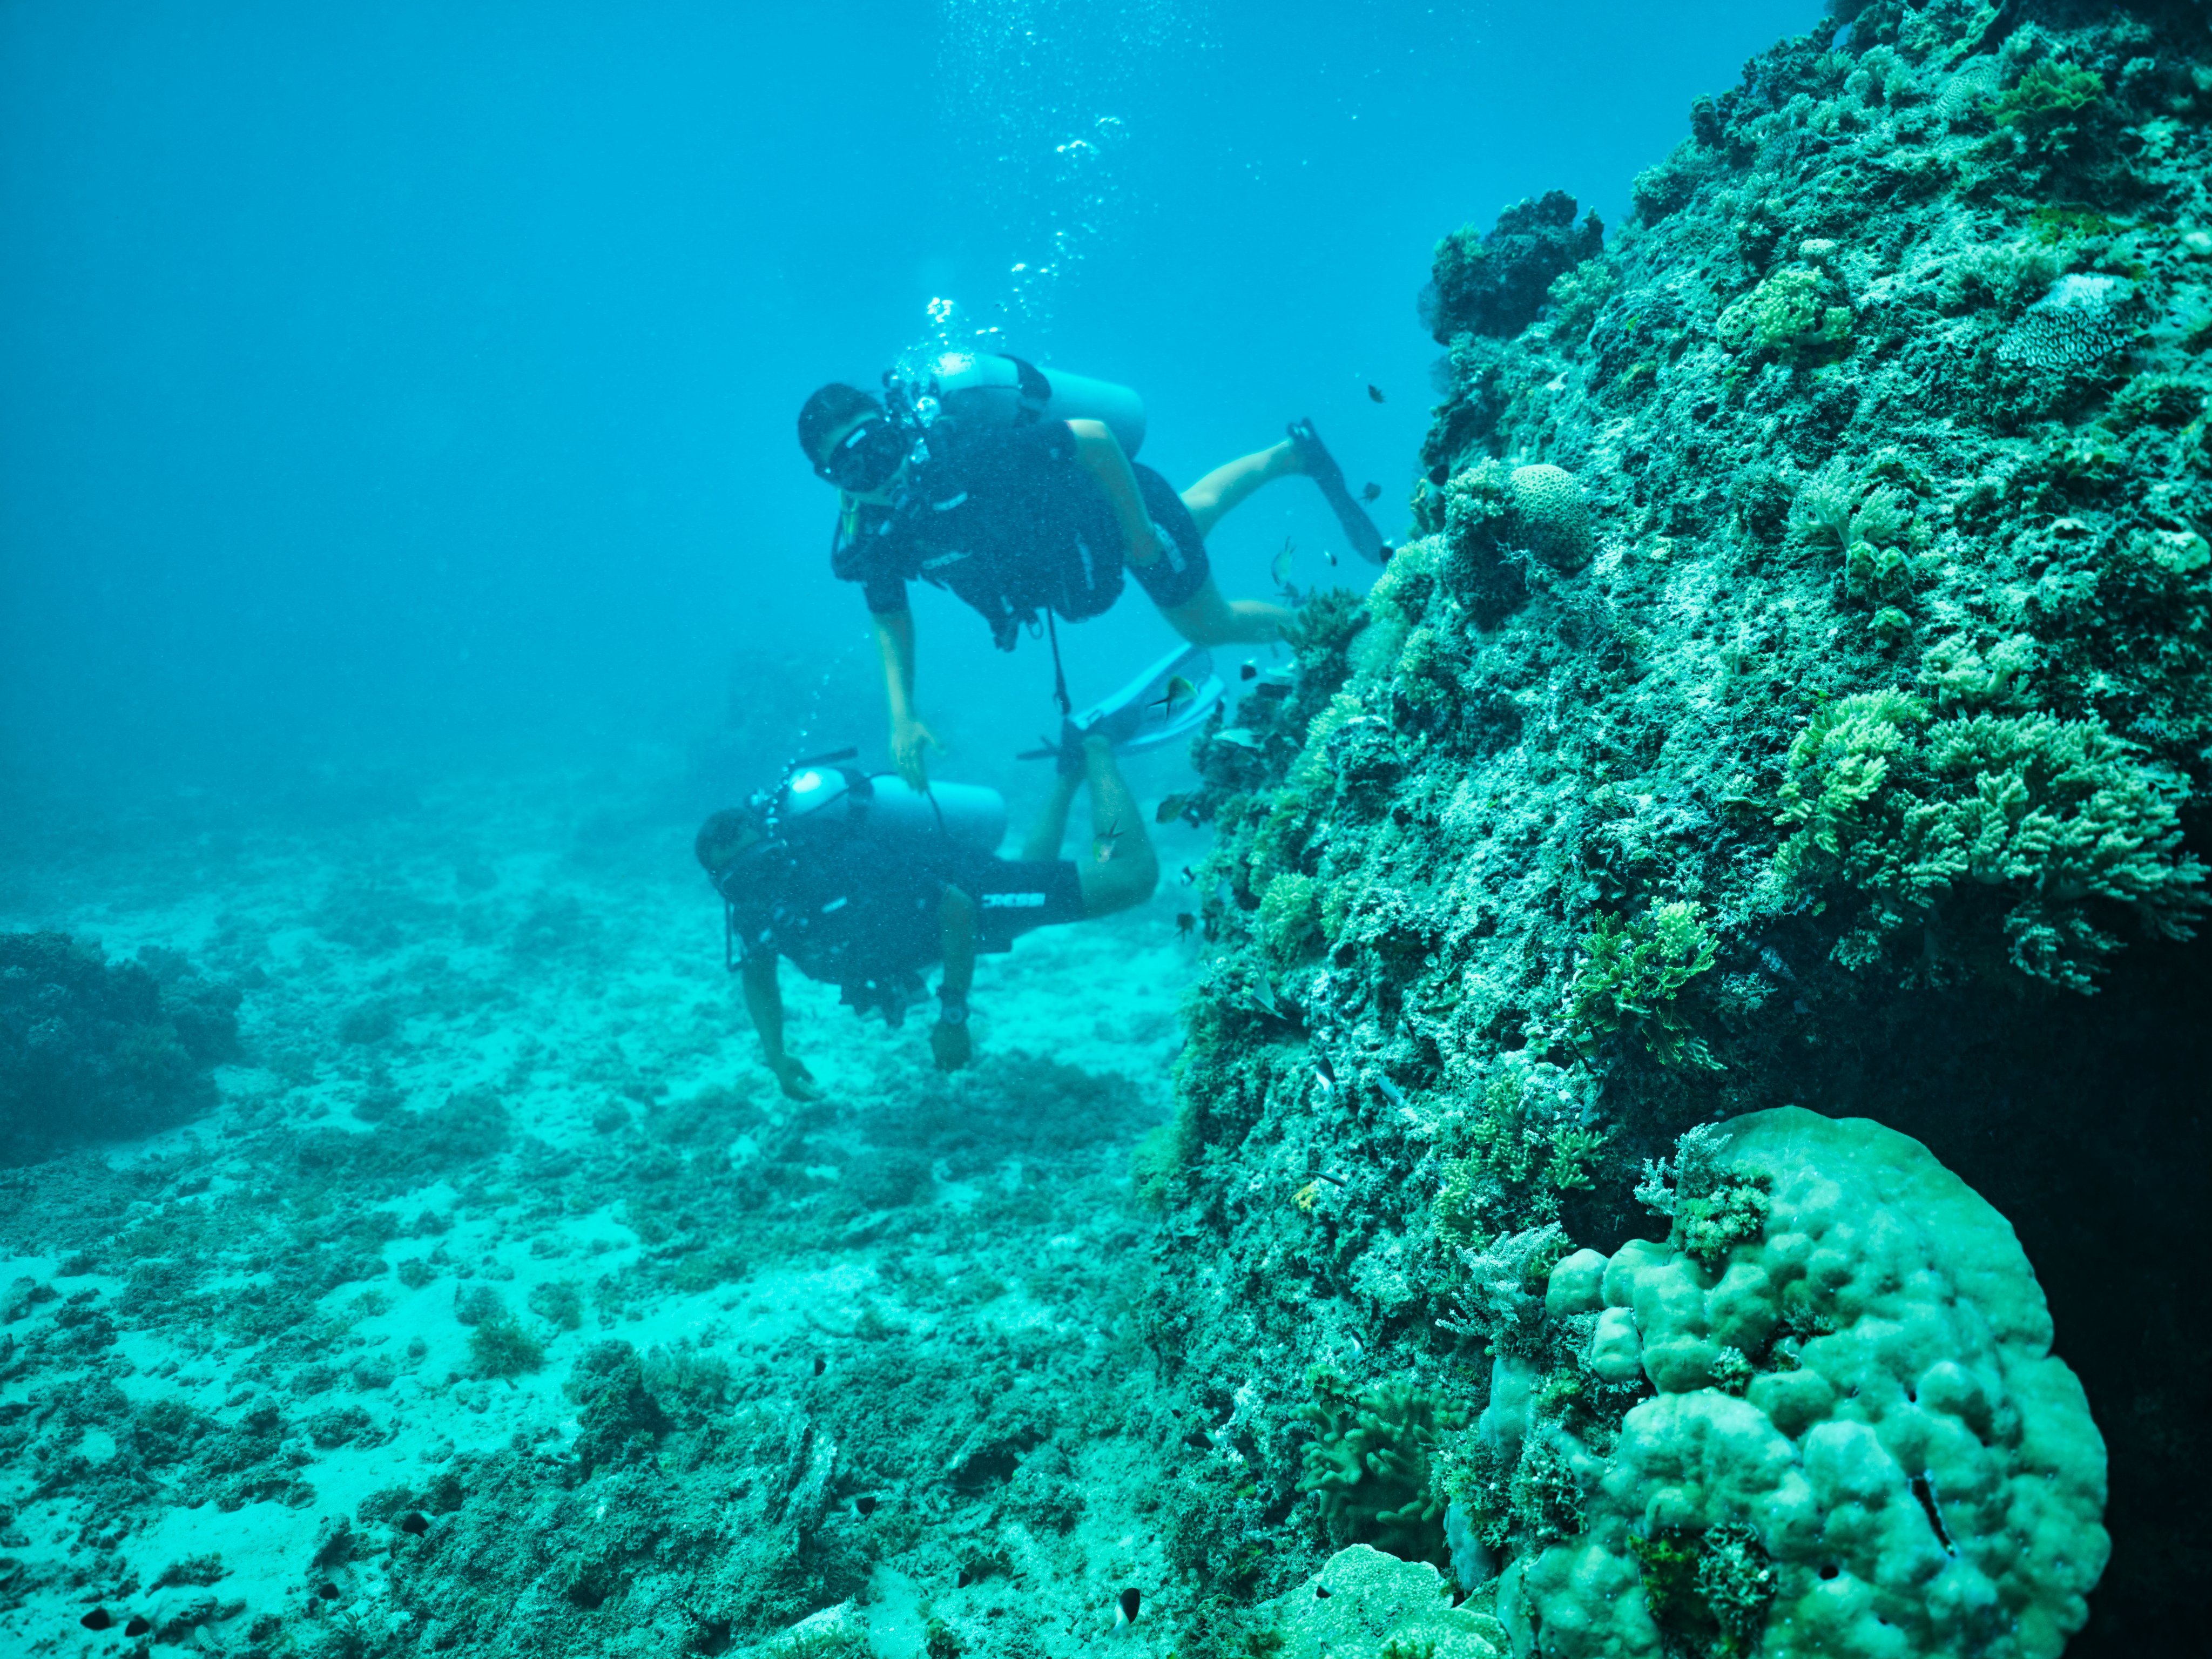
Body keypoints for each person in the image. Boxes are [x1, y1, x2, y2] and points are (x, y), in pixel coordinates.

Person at [800, 380, 1365, 789]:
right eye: (856, 469)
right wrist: (903, 715)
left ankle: (1330, 632)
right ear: (832, 482)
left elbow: (1093, 438)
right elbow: (888, 618)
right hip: (1087, 548)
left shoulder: (969, 457)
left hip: (1117, 517)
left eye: (882, 448)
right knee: (1193, 514)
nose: (885, 473)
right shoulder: (871, 541)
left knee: (1204, 622)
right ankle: (1292, 455)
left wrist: (1140, 533)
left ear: (899, 432)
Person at [696, 733, 1157, 1100]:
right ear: (723, 888)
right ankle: (1069, 773)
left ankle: (1097, 750)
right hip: (930, 931)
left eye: (766, 867)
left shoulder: (842, 864)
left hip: (968, 891)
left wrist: (953, 1015)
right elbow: (758, 976)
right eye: (740, 883)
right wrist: (776, 1055)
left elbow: (956, 907)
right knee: (1027, 897)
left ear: (781, 849)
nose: (760, 887)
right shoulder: (754, 914)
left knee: (1130, 877)